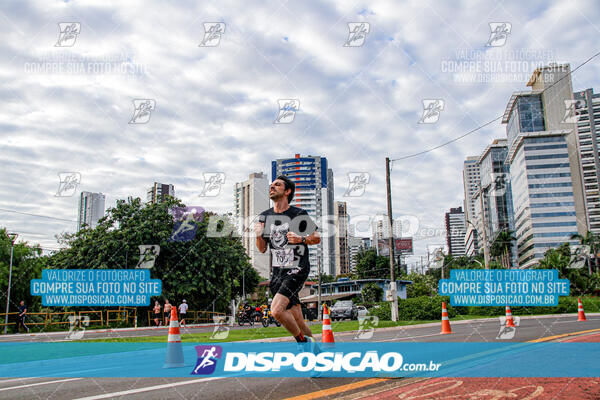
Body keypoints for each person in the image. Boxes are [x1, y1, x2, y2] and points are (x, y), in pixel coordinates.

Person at [255, 175, 320, 344]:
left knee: (276, 311)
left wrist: (301, 239)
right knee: (297, 319)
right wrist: (258, 235)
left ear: (287, 191)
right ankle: (316, 355)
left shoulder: (298, 213)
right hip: (277, 272)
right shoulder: (264, 216)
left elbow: (316, 238)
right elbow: (262, 248)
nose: (272, 187)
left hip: (297, 267)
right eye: (271, 185)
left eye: (277, 185)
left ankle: (302, 342)